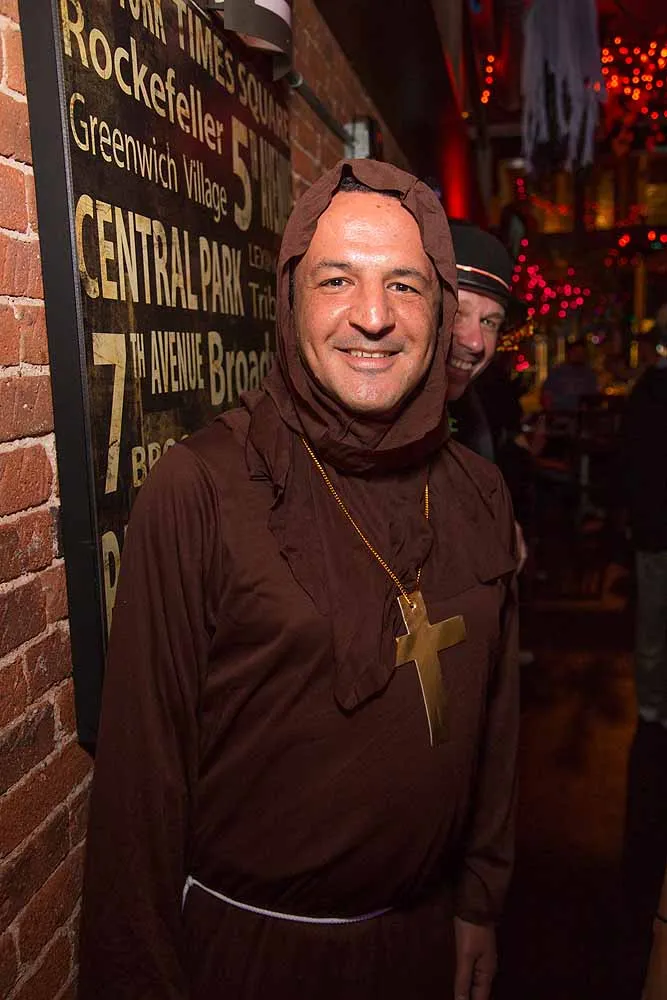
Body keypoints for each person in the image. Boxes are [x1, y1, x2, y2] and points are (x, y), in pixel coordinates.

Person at [78, 160, 519, 1000]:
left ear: (438, 310)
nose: (373, 316)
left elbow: (494, 717)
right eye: (336, 279)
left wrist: (479, 901)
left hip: (424, 943)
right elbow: (141, 785)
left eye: (405, 284)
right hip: (254, 958)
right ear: (289, 301)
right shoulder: (203, 487)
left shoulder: (478, 492)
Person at [620, 322, 667, 727]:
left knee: (653, 620)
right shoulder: (650, 392)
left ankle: (652, 705)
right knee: (653, 620)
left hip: (653, 525)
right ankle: (652, 706)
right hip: (656, 526)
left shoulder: (646, 391)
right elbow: (635, 463)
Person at [541, 337, 598, 412]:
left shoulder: (589, 374)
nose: (578, 355)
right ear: (569, 353)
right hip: (560, 414)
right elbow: (546, 395)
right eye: (575, 352)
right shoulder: (557, 372)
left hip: (581, 415)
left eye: (581, 353)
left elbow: (593, 397)